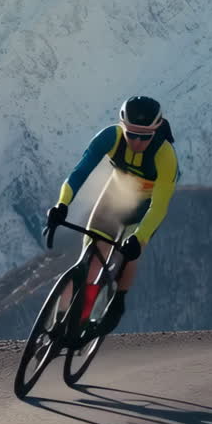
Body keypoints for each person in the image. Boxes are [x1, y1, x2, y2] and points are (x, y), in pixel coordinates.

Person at [43, 95, 178, 337]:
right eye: (132, 135)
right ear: (122, 128)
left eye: (145, 136)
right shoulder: (110, 137)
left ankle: (118, 301)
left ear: (156, 131)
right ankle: (62, 322)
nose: (137, 142)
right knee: (90, 261)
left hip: (145, 208)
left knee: (130, 254)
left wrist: (140, 237)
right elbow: (79, 173)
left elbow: (159, 207)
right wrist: (62, 205)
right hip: (116, 197)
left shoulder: (165, 156)